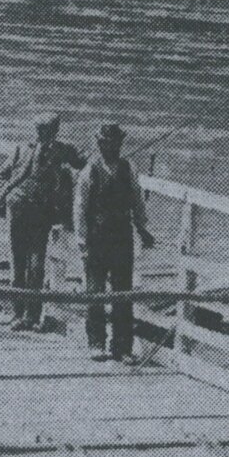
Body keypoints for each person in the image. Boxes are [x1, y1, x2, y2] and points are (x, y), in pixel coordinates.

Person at [0, 113, 85, 331]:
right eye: (40, 131)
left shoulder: (62, 150)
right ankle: (17, 313)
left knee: (36, 265)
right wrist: (9, 196)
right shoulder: (22, 149)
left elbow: (82, 162)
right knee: (17, 261)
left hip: (42, 212)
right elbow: (2, 175)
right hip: (18, 210)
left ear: (55, 132)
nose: (44, 136)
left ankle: (32, 316)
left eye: (48, 132)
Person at [74, 122, 155, 362]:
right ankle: (96, 343)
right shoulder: (90, 171)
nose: (114, 147)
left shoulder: (128, 168)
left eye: (118, 143)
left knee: (123, 292)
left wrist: (143, 229)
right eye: (108, 143)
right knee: (95, 292)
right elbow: (79, 209)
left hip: (122, 237)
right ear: (100, 145)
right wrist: (82, 242)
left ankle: (122, 347)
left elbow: (137, 202)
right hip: (97, 238)